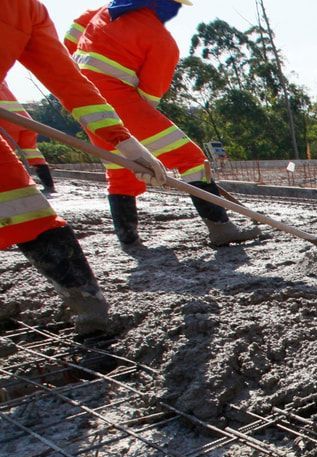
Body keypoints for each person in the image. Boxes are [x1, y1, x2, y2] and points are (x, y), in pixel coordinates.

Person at [1, 0, 166, 341]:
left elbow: (71, 83)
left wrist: (125, 142)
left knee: (23, 207)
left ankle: (91, 313)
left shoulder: (28, 11)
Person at [69, 0, 258, 247]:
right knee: (191, 159)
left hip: (84, 102)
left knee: (120, 167)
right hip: (122, 104)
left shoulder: (102, 13)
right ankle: (221, 228)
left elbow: (69, 41)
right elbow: (149, 97)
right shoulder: (161, 41)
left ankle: (128, 239)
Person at [0, 81, 55, 194]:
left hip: (5, 122)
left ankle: (16, 188)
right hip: (23, 121)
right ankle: (49, 186)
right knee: (34, 155)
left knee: (5, 157)